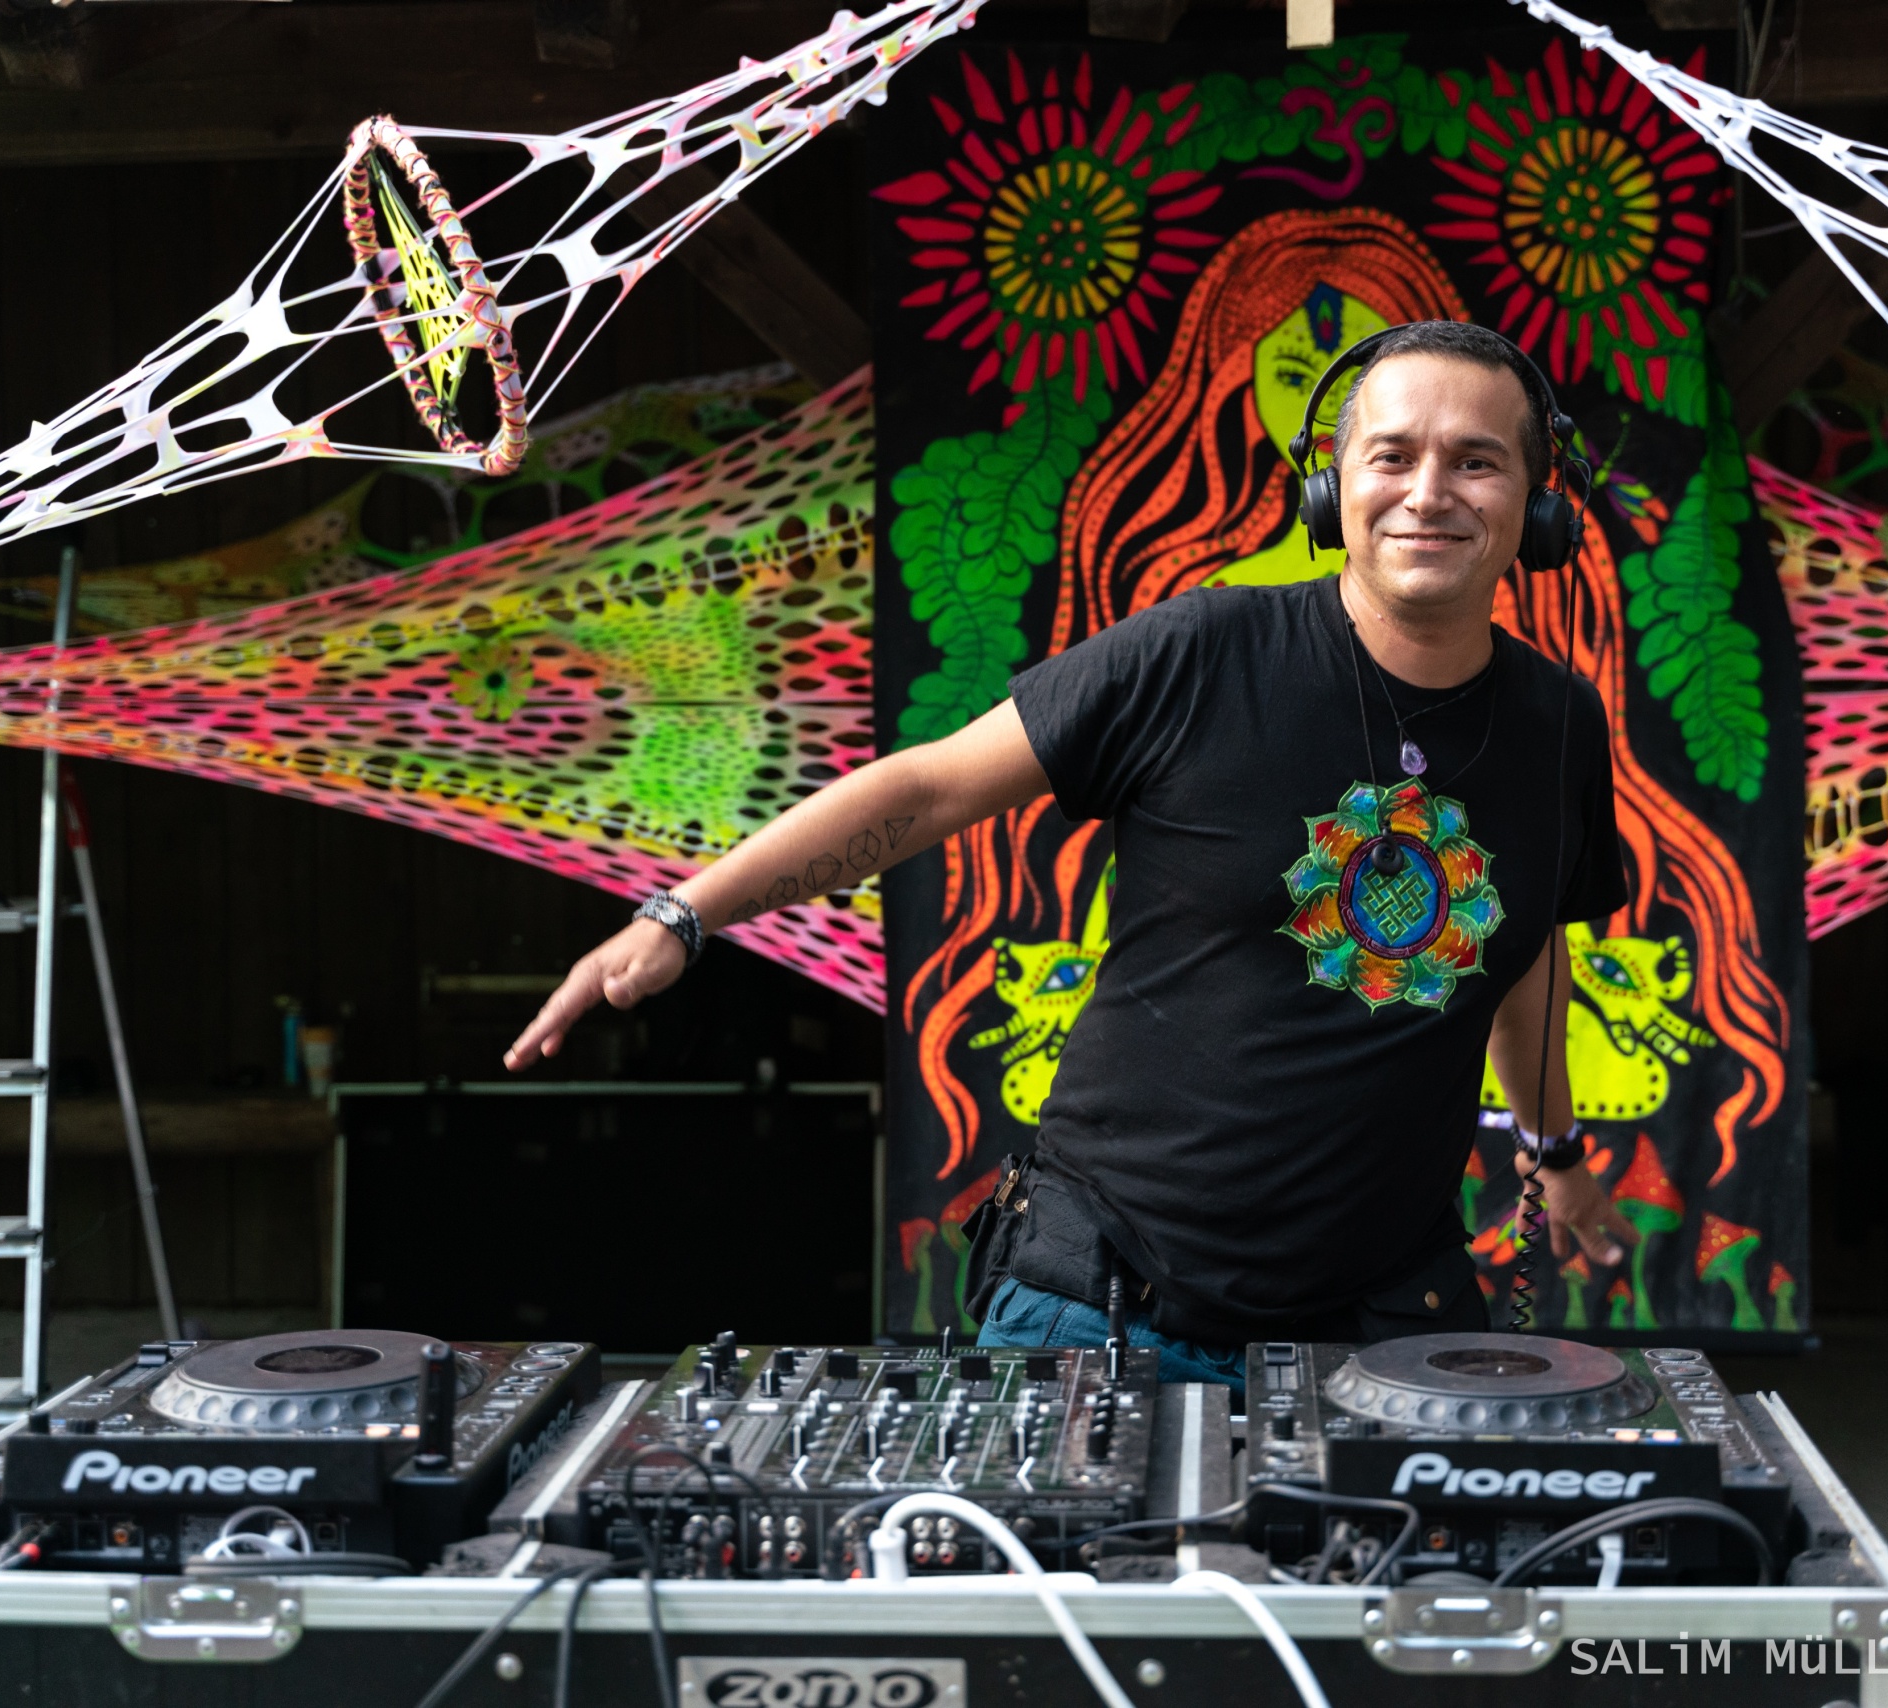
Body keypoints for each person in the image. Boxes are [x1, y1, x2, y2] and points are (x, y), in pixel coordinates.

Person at [508, 319, 1638, 1386]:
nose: (1428, 492)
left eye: (1476, 461)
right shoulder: (1201, 653)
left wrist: (1556, 1151)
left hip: (1376, 1322)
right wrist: (685, 914)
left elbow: (1516, 947)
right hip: (1105, 1305)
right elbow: (929, 786)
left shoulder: (1557, 727)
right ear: (1332, 488)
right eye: (1391, 455)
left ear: (1539, 504)